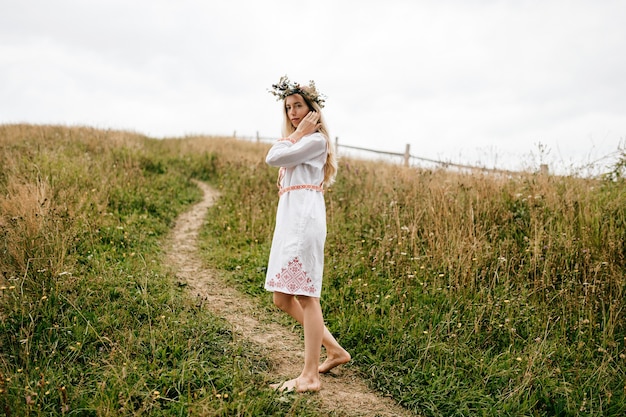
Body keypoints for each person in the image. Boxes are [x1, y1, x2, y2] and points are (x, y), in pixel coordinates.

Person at [265, 76, 350, 393]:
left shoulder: (315, 141)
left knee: (305, 295)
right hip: (290, 220)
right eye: (288, 108)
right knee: (281, 297)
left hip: (303, 221)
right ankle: (335, 350)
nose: (292, 113)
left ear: (312, 109)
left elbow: (273, 156)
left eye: (298, 106)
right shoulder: (301, 142)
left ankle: (310, 375)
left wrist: (299, 133)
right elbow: (282, 161)